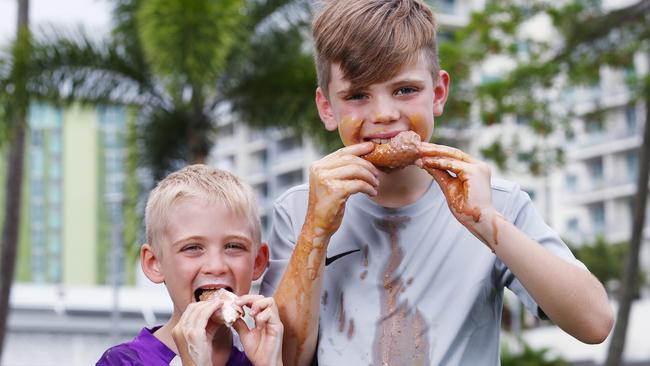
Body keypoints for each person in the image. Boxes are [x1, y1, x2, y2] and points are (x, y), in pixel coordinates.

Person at [259, 1, 614, 365]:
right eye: (357, 95)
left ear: (439, 93)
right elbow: (280, 358)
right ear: (327, 108)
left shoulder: (494, 202)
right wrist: (315, 233)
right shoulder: (300, 209)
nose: (384, 114)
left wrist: (487, 223)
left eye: (405, 90)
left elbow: (595, 323)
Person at [97, 164, 283, 366]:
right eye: (193, 248)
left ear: (257, 262)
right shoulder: (122, 362)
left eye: (233, 246)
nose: (216, 266)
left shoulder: (263, 355)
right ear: (154, 263)